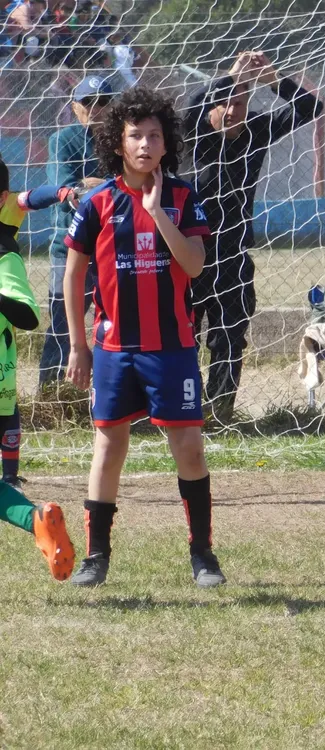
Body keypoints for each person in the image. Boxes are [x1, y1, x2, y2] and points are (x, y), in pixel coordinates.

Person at [63, 87, 225, 588]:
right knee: (109, 447)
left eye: (154, 135)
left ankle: (203, 555)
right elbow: (74, 276)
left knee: (190, 447)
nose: (145, 144)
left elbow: (195, 265)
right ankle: (96, 555)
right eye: (135, 135)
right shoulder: (97, 203)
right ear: (119, 143)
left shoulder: (181, 197)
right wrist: (79, 344)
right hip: (114, 350)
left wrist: (157, 213)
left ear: (165, 142)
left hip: (172, 347)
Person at [184, 50, 324, 421]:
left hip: (233, 254)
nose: (232, 110)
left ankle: (220, 410)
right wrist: (230, 76)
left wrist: (273, 80)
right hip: (188, 254)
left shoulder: (256, 131)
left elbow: (311, 108)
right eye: (224, 102)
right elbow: (192, 108)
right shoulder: (192, 133)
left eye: (240, 102)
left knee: (229, 336)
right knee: (183, 337)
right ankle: (184, 408)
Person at [0, 159, 76, 581]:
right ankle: (36, 522)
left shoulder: (4, 252)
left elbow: (28, 317)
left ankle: (34, 519)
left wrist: (64, 194)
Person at [39, 75, 110, 387]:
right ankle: (50, 396)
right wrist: (107, 189)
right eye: (88, 102)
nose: (96, 108)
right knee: (61, 326)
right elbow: (66, 192)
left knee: (116, 324)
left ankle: (113, 393)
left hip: (113, 247)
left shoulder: (123, 138)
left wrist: (95, 187)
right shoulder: (63, 140)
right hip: (70, 248)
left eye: (104, 101)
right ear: (75, 107)